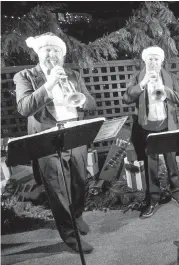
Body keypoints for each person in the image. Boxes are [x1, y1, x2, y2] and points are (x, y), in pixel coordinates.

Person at [13, 32, 97, 253]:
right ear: (39, 52)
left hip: (75, 135)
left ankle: (76, 215)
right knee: (58, 189)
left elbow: (90, 103)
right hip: (47, 140)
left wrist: (79, 96)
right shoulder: (25, 76)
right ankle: (70, 236)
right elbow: (24, 108)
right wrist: (49, 85)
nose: (52, 54)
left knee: (79, 180)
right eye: (47, 50)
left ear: (62, 54)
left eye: (56, 50)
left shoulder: (73, 74)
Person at [123, 46, 179, 218]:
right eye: (150, 59)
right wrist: (143, 83)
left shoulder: (171, 78)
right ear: (145, 61)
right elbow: (126, 98)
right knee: (150, 165)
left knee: (172, 163)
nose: (153, 63)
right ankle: (153, 199)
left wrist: (165, 89)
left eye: (156, 60)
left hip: (167, 125)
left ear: (162, 62)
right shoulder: (137, 78)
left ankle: (176, 193)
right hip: (146, 128)